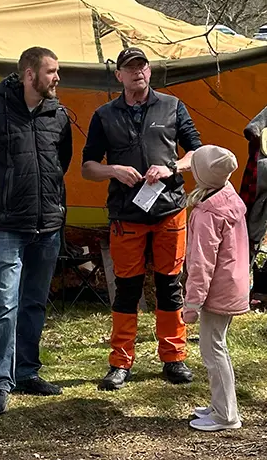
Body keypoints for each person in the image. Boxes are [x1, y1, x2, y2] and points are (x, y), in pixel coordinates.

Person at [0, 46, 72, 415]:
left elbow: (61, 162)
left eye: (57, 71)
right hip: (6, 225)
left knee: (34, 302)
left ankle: (26, 372)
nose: (57, 78)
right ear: (29, 74)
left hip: (47, 225)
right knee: (4, 303)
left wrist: (48, 199)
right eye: (51, 71)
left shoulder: (59, 115)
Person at [82, 46, 202, 390]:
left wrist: (171, 167)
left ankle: (174, 358)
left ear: (150, 71)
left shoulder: (172, 106)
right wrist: (113, 170)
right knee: (127, 288)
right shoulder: (104, 115)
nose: (138, 72)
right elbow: (87, 167)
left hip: (169, 209)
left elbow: (197, 152)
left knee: (169, 284)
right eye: (130, 68)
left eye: (143, 66)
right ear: (118, 75)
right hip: (126, 213)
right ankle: (120, 362)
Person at [182, 145, 249, 432]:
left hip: (217, 291)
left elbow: (201, 263)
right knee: (215, 346)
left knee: (213, 350)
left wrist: (192, 305)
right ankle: (220, 403)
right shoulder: (227, 196)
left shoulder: (208, 213)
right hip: (233, 283)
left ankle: (226, 415)